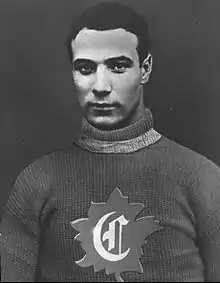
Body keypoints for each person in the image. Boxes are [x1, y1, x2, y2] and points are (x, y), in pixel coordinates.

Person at [1, 2, 220, 282]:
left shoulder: (204, 181)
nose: (101, 86)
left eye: (118, 66)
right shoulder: (36, 183)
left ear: (146, 68)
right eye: (85, 68)